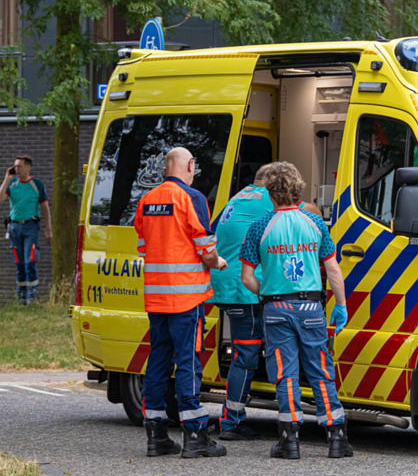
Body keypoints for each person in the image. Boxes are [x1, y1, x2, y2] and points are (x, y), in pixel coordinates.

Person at [240, 161, 353, 459]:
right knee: (320, 369)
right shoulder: (315, 223)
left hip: (276, 308)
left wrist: (267, 293)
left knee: (285, 372)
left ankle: (289, 440)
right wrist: (341, 306)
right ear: (297, 190)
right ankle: (337, 437)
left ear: (271, 194)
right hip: (311, 306)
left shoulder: (259, 227)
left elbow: (246, 277)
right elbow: (333, 270)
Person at [134, 147, 229, 458]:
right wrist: (217, 263)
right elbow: (205, 245)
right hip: (186, 296)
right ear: (189, 165)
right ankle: (194, 435)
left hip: (156, 295)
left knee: (158, 360)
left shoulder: (147, 200)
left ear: (165, 168)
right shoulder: (193, 198)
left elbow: (143, 246)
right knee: (187, 360)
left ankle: (156, 434)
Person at [209, 163, 276, 441]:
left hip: (226, 284)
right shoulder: (266, 200)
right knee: (245, 356)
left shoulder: (238, 197)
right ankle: (231, 421)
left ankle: (232, 417)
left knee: (243, 353)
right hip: (244, 289)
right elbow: (296, 216)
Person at [0, 156, 52, 305]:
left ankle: (33, 299)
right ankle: (21, 299)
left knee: (30, 262)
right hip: (14, 227)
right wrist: (7, 179)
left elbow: (45, 208)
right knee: (19, 264)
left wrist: (48, 229)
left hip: (30, 227)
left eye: (20, 166)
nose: (16, 169)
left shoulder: (36, 184)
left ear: (28, 168)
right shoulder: (12, 183)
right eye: (15, 166)